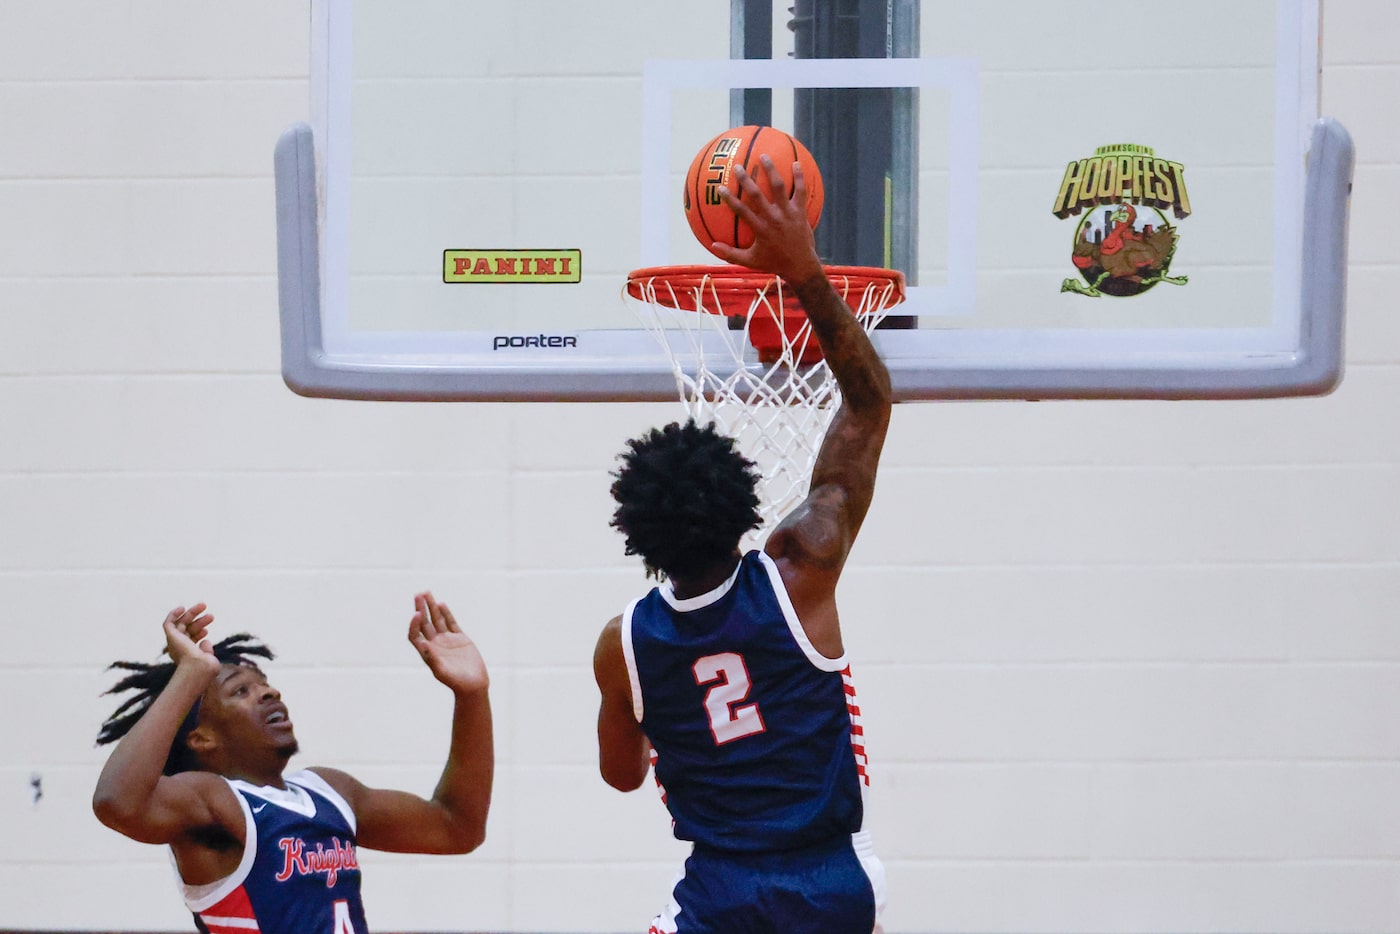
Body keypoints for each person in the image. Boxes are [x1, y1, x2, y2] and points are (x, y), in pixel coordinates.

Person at [593, 153, 890, 933]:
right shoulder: (802, 568)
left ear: (638, 532)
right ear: (743, 507)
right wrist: (801, 272)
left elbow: (622, 777)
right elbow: (866, 404)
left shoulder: (623, 642)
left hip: (720, 892)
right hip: (833, 880)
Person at [93, 592, 493, 934]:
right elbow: (117, 802)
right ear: (202, 738)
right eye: (241, 691)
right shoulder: (214, 802)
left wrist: (472, 695)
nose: (269, 693)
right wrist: (192, 672)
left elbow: (457, 827)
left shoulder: (330, 791)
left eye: (264, 683)